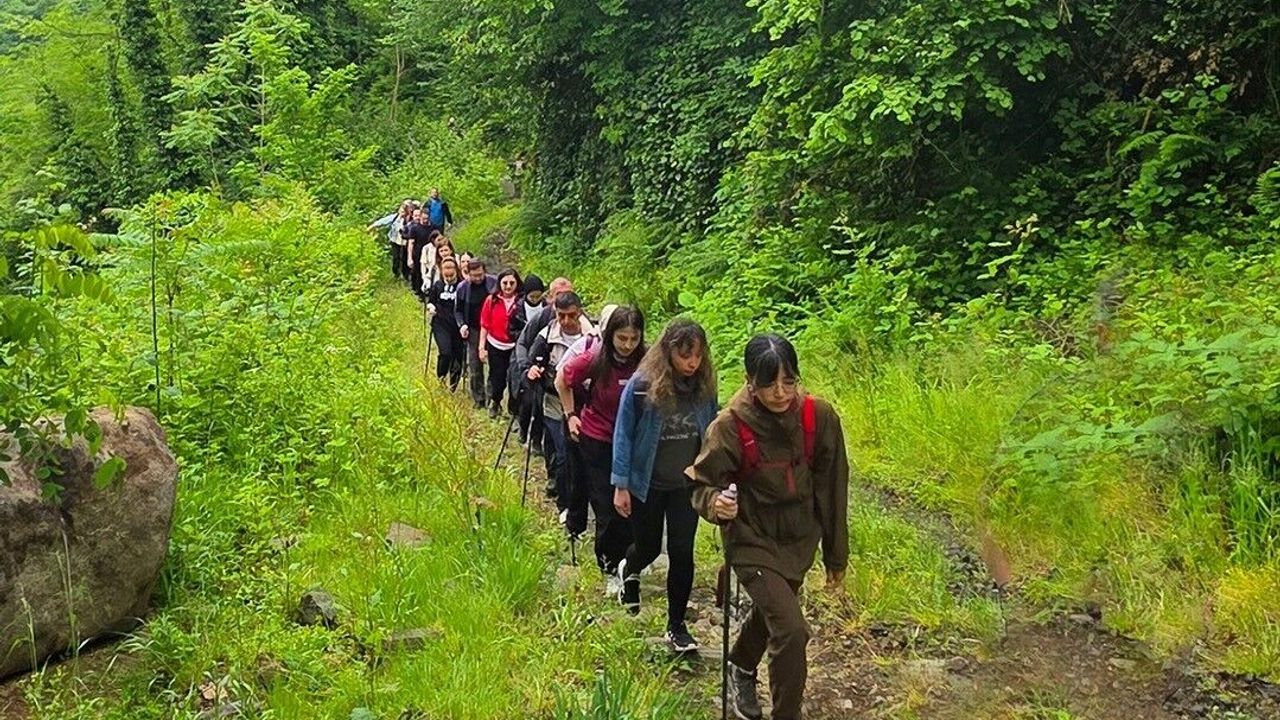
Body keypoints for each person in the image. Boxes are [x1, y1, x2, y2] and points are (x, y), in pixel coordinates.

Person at [687, 334, 849, 720]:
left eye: (789, 381)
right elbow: (700, 483)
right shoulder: (729, 426)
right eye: (769, 383)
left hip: (799, 540)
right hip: (750, 539)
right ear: (750, 382)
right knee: (791, 630)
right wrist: (716, 503)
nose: (780, 393)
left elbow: (833, 488)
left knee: (776, 612)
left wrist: (835, 555)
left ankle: (741, 665)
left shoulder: (818, 418)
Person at [611, 318, 718, 653]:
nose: (692, 363)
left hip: (685, 486)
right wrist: (621, 484)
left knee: (682, 552)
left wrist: (713, 473)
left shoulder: (704, 388)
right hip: (648, 483)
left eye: (698, 356)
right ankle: (629, 568)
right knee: (648, 547)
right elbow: (623, 434)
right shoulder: (642, 385)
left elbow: (713, 432)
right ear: (668, 352)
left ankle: (676, 625)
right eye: (685, 356)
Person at [557, 306, 645, 584]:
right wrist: (571, 415)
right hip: (599, 439)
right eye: (622, 338)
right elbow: (562, 380)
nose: (628, 345)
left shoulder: (647, 362)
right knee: (607, 505)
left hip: (634, 442)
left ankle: (630, 560)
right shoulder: (595, 358)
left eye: (633, 339)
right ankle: (609, 565)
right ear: (610, 336)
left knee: (633, 504)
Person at [526, 292, 594, 518]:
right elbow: (532, 360)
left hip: (584, 405)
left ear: (580, 312)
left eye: (571, 315)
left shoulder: (593, 337)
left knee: (579, 455)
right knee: (563, 453)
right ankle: (564, 503)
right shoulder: (547, 336)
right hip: (554, 401)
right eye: (561, 315)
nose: (566, 321)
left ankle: (580, 500)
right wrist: (532, 371)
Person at [513, 277, 573, 462]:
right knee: (535, 407)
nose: (564, 299)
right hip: (542, 376)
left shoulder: (582, 321)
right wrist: (526, 367)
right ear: (550, 297)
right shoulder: (543, 318)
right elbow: (522, 343)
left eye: (568, 294)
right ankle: (534, 439)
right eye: (559, 295)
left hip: (569, 382)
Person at [478, 268, 523, 419]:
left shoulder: (521, 302)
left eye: (512, 283)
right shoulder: (491, 300)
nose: (508, 286)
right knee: (497, 378)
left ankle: (513, 410)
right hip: (495, 345)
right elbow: (484, 325)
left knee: (514, 379)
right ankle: (495, 402)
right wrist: (481, 347)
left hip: (515, 346)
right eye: (505, 283)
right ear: (499, 283)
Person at [454, 259, 497, 409]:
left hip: (493, 330)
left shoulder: (494, 284)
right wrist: (462, 325)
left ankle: (493, 399)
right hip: (473, 330)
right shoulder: (462, 288)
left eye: (480, 275)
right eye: (474, 276)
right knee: (474, 366)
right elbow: (458, 310)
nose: (478, 278)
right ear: (468, 273)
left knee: (494, 365)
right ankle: (479, 399)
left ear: (484, 271)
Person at [426, 257, 465, 389]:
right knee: (445, 352)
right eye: (445, 269)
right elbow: (431, 301)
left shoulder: (462, 285)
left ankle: (453, 385)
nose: (448, 273)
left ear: (456, 269)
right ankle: (441, 378)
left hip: (458, 326)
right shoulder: (438, 285)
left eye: (451, 268)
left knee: (458, 356)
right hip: (441, 324)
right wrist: (431, 308)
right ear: (441, 271)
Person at [366, 200, 413, 279]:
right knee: (396, 258)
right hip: (395, 241)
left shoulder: (410, 220)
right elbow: (383, 221)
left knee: (404, 259)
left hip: (406, 243)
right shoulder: (395, 217)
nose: (402, 212)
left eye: (404, 210)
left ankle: (406, 275)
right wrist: (372, 226)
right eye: (401, 209)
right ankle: (396, 274)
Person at [405, 209, 434, 299]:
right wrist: (409, 257)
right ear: (420, 217)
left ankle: (430, 292)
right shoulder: (414, 228)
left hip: (430, 254)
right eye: (423, 218)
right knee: (418, 273)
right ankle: (420, 292)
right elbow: (411, 243)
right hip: (417, 254)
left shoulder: (434, 228)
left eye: (427, 219)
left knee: (431, 272)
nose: (425, 220)